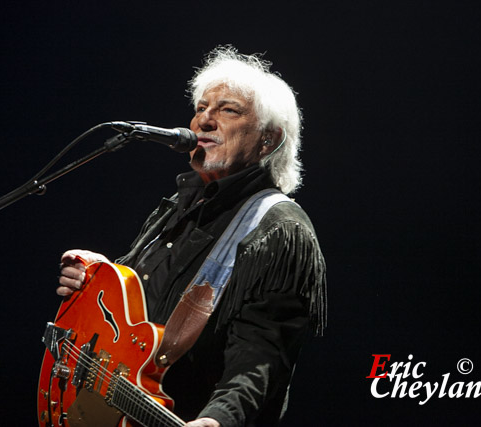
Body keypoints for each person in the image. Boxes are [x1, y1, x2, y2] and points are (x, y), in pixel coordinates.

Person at [57, 46, 326, 427]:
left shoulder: (280, 228)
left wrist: (218, 420)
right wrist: (98, 282)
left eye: (227, 110)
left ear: (268, 140)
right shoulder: (175, 207)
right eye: (201, 108)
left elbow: (263, 353)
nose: (203, 121)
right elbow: (137, 320)